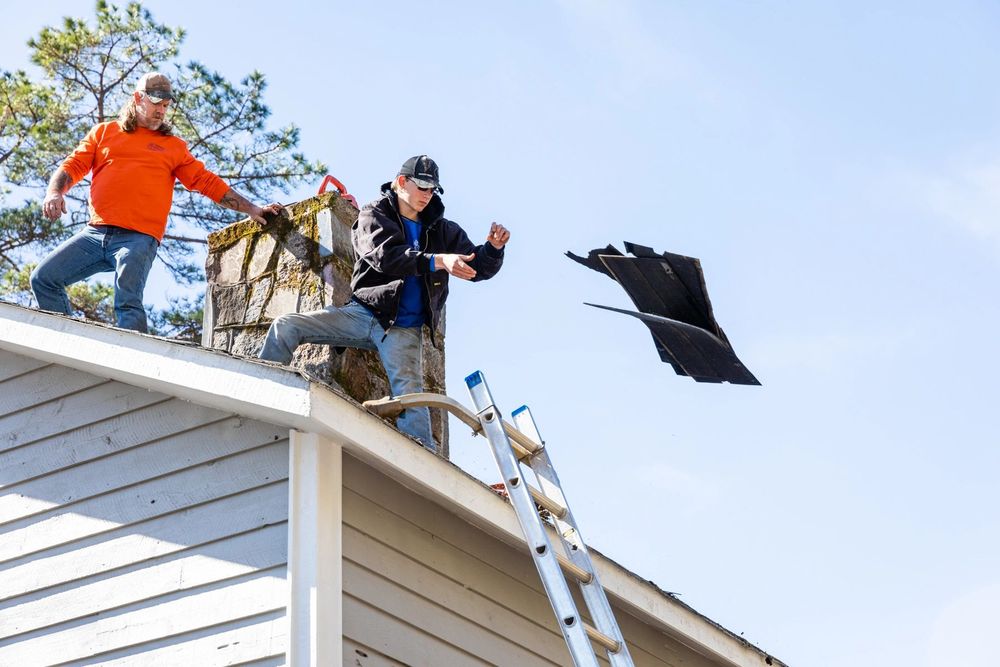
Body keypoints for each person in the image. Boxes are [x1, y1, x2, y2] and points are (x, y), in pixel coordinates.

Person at [259, 155, 510, 452]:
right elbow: (387, 257)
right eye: (422, 187)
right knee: (287, 326)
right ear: (402, 182)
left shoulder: (443, 230)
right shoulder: (372, 214)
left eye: (433, 190)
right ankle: (263, 406)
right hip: (363, 312)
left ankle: (422, 468)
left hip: (404, 330)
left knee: (412, 403)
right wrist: (438, 260)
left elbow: (476, 267)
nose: (427, 196)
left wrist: (493, 250)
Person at [31, 72, 284, 333]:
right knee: (44, 278)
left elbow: (206, 182)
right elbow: (73, 165)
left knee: (127, 300)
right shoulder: (104, 133)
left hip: (138, 238)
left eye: (166, 105)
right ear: (138, 98)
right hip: (95, 233)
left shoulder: (173, 146)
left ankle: (132, 363)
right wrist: (54, 193)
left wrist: (252, 208)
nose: (161, 111)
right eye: (156, 103)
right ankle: (65, 341)